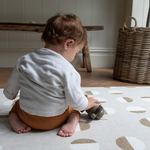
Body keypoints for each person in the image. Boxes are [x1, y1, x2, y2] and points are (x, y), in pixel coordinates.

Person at [3, 13, 100, 137]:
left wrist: (12, 96)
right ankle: (72, 122)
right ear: (68, 44)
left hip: (26, 117)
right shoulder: (68, 70)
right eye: (77, 52)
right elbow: (78, 102)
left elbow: (9, 93)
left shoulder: (23, 60)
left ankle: (14, 119)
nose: (75, 55)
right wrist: (89, 103)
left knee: (16, 105)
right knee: (73, 108)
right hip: (54, 119)